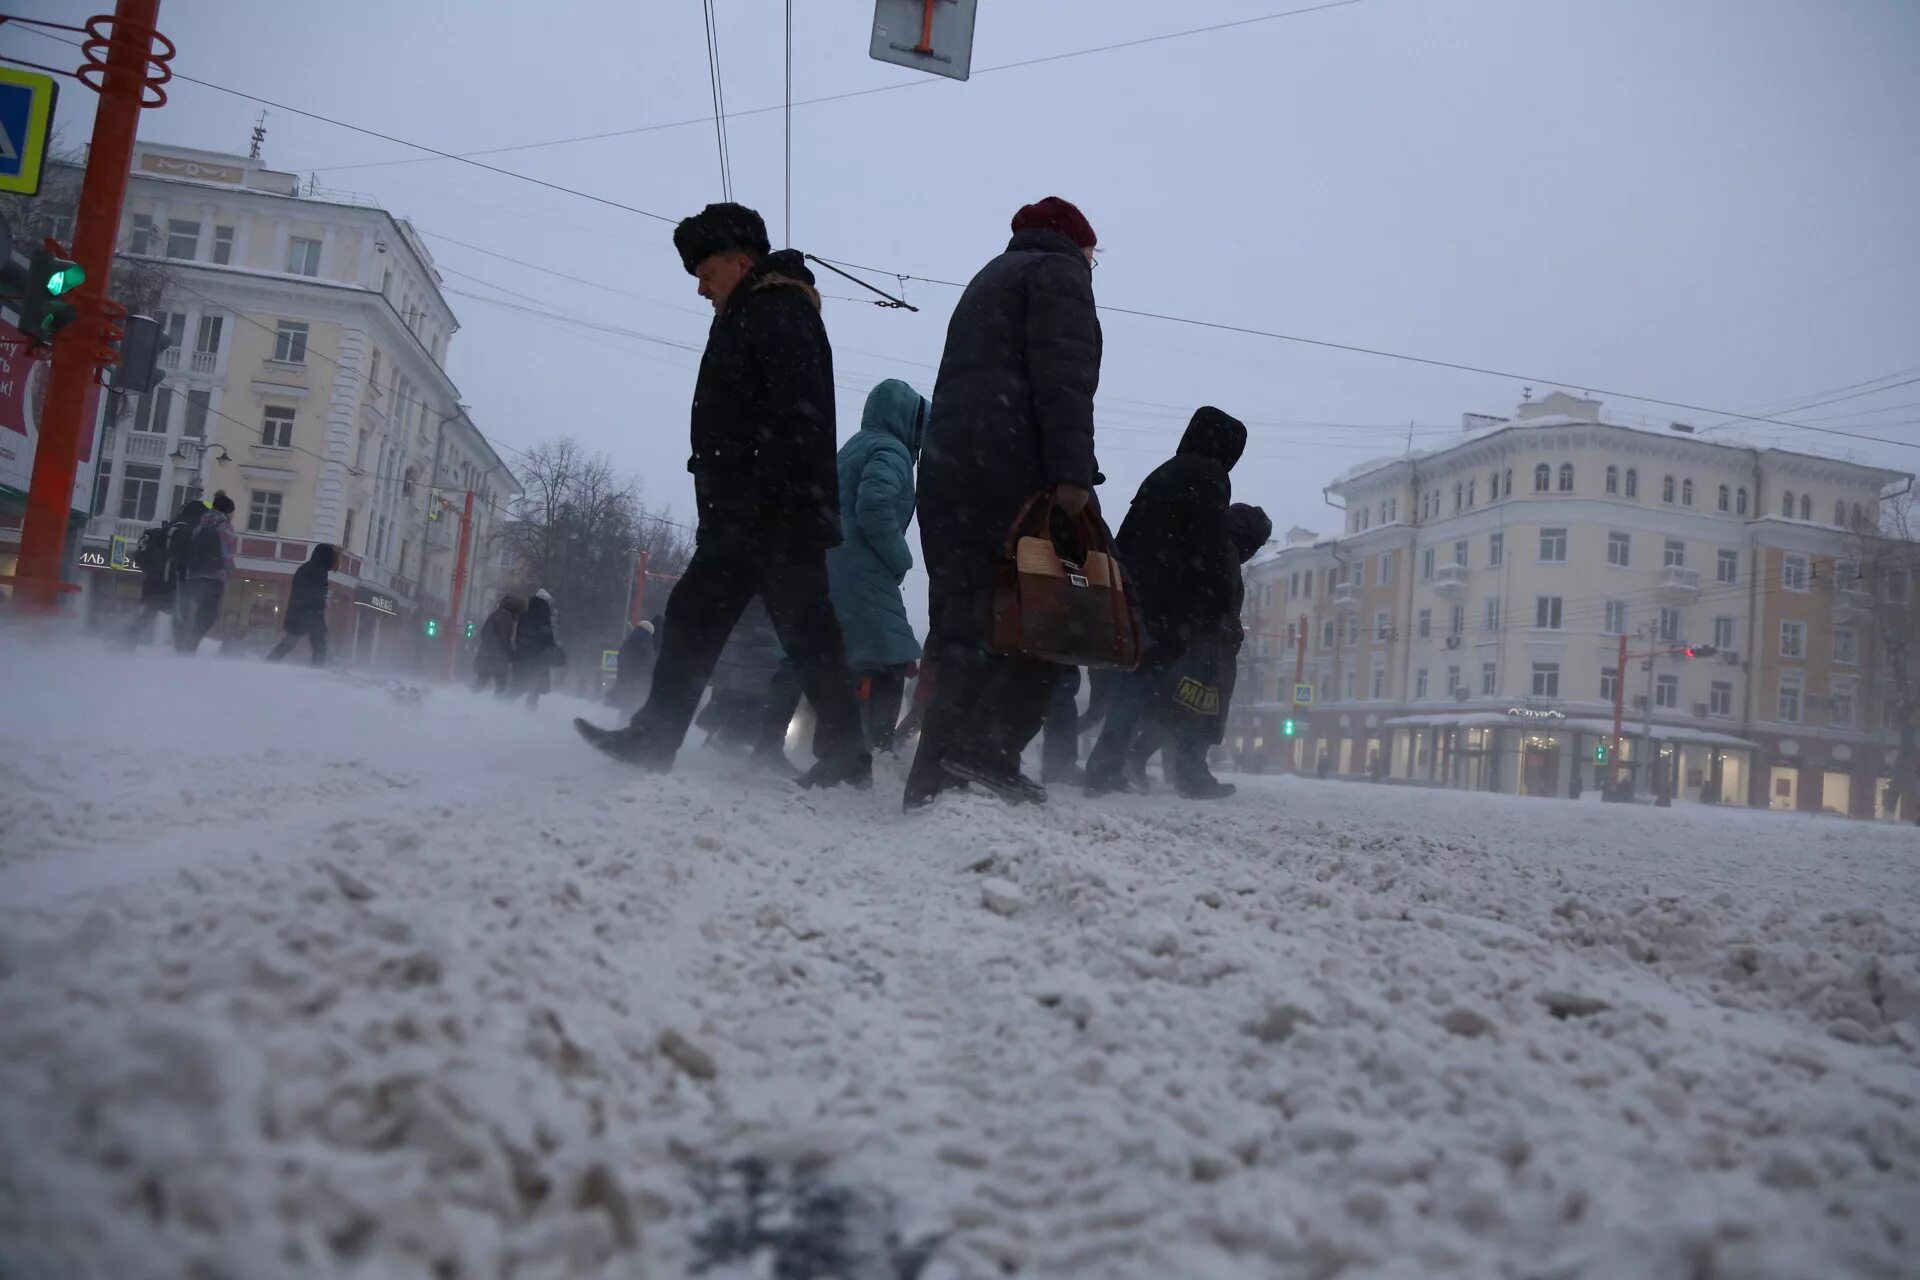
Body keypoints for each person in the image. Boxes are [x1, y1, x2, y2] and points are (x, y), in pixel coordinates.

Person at [573, 202, 868, 790]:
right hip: (759, 507)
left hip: (767, 510)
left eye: (707, 274)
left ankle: (841, 754)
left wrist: (756, 497)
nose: (702, 289)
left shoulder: (775, 311)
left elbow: (793, 418)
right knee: (756, 625)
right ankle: (841, 753)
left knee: (768, 626)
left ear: (740, 261)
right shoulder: (754, 310)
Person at [905, 196, 1103, 808]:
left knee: (963, 625)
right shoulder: (1061, 275)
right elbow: (1064, 381)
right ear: (1077, 242)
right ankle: (985, 753)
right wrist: (1072, 477)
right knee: (1047, 619)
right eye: (1095, 252)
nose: (1095, 262)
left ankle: (933, 775)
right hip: (1012, 471)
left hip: (950, 471)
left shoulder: (988, 278)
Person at [1084, 407, 1248, 797]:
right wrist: (1215, 599)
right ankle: (1112, 768)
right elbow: (1208, 544)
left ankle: (1110, 765)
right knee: (1154, 683)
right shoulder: (1209, 476)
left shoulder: (1163, 473)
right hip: (1173, 599)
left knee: (1137, 677)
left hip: (1140, 590)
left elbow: (1129, 533)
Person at [1124, 502, 1272, 798]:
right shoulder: (1226, 553)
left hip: (1191, 644)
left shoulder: (1209, 545)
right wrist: (1230, 635)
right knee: (1200, 712)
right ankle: (1191, 775)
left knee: (1171, 710)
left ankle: (1137, 759)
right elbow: (1221, 604)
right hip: (1208, 651)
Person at [826, 379, 931, 753]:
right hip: (864, 568)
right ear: (906, 419)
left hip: (831, 561)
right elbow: (874, 506)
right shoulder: (892, 450)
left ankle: (821, 737)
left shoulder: (853, 446)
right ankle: (877, 744)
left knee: (832, 653)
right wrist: (899, 557)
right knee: (893, 656)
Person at [175, 491, 237, 654]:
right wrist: (229, 570)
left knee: (190, 610)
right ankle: (191, 645)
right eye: (232, 512)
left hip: (194, 574)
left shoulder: (201, 524)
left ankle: (184, 642)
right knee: (208, 615)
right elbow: (226, 551)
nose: (233, 515)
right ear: (226, 511)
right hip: (214, 577)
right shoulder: (224, 526)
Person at [266, 543, 336, 666]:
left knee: (289, 643)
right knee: (319, 647)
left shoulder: (306, 568)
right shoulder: (319, 571)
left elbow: (300, 592)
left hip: (297, 613)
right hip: (309, 615)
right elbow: (316, 596)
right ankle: (317, 672)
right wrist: (317, 615)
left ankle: (269, 663)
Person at [513, 588, 563, 708]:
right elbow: (547, 636)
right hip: (538, 658)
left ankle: (502, 708)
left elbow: (518, 636)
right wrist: (554, 648)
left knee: (518, 687)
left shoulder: (524, 615)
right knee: (534, 688)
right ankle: (530, 713)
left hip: (522, 657)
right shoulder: (543, 616)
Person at [474, 594, 523, 696]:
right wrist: (512, 654)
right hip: (498, 657)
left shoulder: (495, 614)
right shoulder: (506, 617)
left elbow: (484, 633)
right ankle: (497, 707)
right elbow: (504, 639)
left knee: (481, 681)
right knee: (501, 685)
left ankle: (469, 703)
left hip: (486, 654)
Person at [607, 620, 658, 715]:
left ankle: (621, 725)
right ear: (649, 632)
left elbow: (621, 658)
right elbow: (649, 662)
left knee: (627, 706)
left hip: (625, 679)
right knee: (635, 707)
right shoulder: (645, 642)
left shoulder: (629, 640)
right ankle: (629, 726)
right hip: (637, 681)